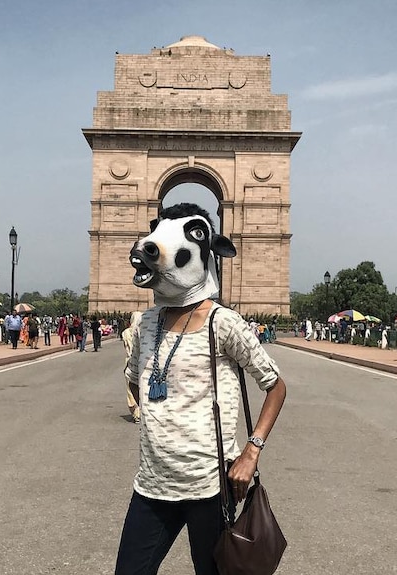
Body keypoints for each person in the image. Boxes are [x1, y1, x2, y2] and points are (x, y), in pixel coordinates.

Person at [116, 203, 286, 575]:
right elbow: (135, 378)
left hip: (209, 485)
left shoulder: (222, 323)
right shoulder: (145, 323)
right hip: (153, 482)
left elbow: (275, 385)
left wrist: (251, 452)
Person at [122, 311, 143, 423]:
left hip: (130, 362)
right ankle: (143, 412)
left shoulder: (126, 332)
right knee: (143, 388)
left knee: (131, 389)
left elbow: (125, 347)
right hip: (144, 362)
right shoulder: (143, 331)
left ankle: (136, 413)